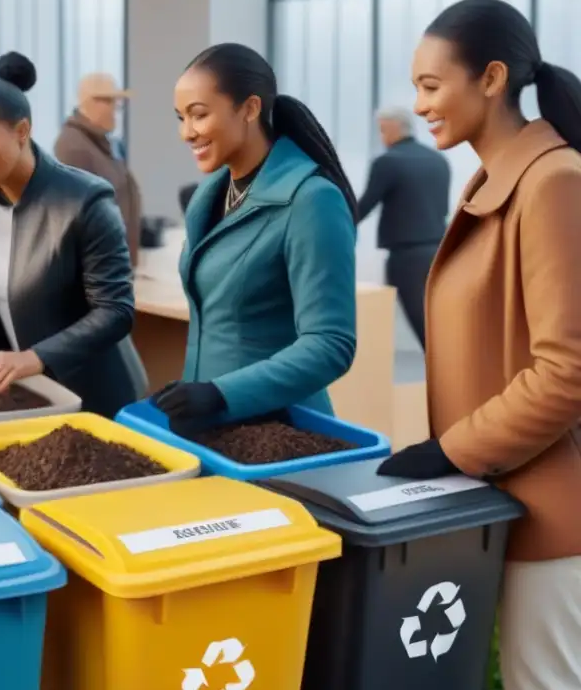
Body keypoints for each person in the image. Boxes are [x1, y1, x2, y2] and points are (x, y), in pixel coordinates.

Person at [378, 0, 581, 690]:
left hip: (551, 511)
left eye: (432, 86)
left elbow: (567, 372)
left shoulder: (552, 182)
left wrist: (450, 450)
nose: (420, 104)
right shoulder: (492, 180)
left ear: (492, 79)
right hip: (502, 498)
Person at [0, 52, 147, 417]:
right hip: (35, 391)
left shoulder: (85, 200)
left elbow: (116, 311)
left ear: (22, 131)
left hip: (97, 395)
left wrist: (35, 357)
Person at [152, 42, 357, 426]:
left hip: (276, 433)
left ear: (249, 108)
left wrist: (220, 393)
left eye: (198, 115)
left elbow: (331, 344)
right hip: (213, 429)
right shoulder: (209, 195)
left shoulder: (311, 200)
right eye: (180, 118)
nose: (186, 133)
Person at [356, 106, 450, 350]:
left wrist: (330, 222)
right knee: (440, 322)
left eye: (382, 130)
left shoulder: (387, 162)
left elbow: (364, 207)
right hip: (441, 252)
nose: (381, 137)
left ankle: (445, 382)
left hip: (405, 257)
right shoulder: (438, 160)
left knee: (423, 328)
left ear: (391, 128)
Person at [54, 73, 142, 264]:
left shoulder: (101, 144)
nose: (115, 113)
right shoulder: (73, 147)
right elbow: (79, 219)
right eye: (113, 105)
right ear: (95, 103)